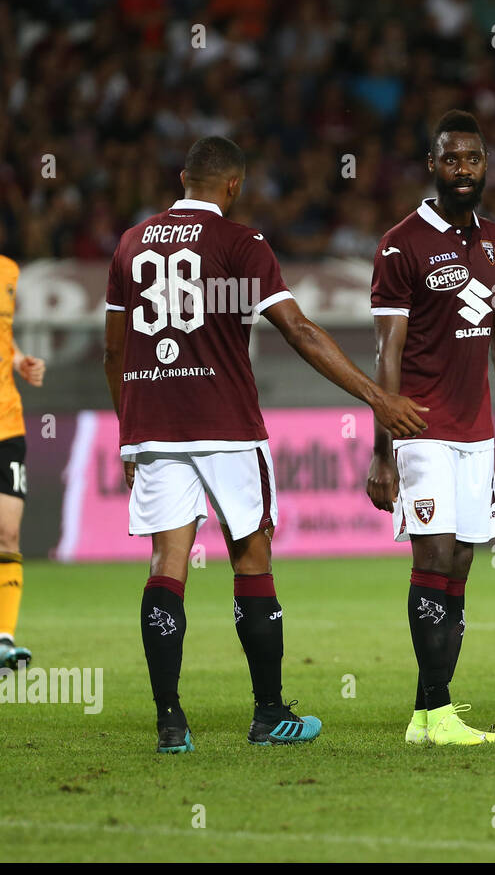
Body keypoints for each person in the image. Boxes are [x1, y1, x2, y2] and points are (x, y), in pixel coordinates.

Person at [104, 136, 428, 753]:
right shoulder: (240, 243)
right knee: (251, 559)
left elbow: (113, 351)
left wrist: (128, 432)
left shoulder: (130, 241)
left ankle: (171, 722)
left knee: (165, 567)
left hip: (153, 425)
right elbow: (301, 331)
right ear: (233, 187)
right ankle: (269, 715)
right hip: (225, 426)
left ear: (183, 179)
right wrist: (375, 396)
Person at [365, 110, 495, 747]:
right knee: (434, 556)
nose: (463, 170)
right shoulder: (401, 243)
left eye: (473, 159)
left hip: (477, 432)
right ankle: (434, 713)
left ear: (485, 165)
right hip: (419, 428)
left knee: (460, 562)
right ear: (432, 166)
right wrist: (383, 449)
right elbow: (386, 353)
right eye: (451, 159)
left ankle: (431, 712)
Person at [0, 255, 44, 671]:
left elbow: (4, 337)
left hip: (7, 424)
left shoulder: (9, 271)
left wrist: (18, 360)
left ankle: (4, 640)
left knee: (8, 534)